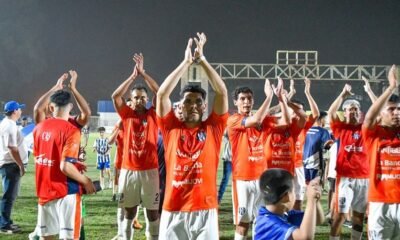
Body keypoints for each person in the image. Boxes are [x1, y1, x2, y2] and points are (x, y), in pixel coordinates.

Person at [156, 33, 228, 239]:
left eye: (198, 101)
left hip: (205, 209)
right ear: (180, 105)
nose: (193, 105)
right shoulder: (170, 129)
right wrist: (185, 63)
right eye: (188, 101)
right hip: (173, 208)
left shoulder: (213, 129)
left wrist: (202, 60)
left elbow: (221, 92)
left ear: (205, 106)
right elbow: (162, 95)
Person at [33, 90, 96, 239]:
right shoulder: (71, 130)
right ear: (71, 106)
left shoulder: (39, 128)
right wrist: (86, 181)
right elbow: (65, 166)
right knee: (69, 236)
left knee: (46, 236)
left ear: (50, 107)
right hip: (66, 192)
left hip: (44, 190)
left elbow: (47, 156)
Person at [112, 53, 160, 240]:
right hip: (128, 171)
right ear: (131, 100)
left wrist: (144, 74)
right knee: (129, 213)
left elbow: (160, 91)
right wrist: (133, 76)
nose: (139, 100)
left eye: (142, 97)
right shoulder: (127, 114)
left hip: (150, 171)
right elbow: (116, 95)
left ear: (147, 99)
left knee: (152, 214)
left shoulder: (153, 114)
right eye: (135, 97)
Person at [227, 80, 273, 240]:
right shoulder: (234, 120)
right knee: (243, 221)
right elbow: (256, 120)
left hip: (262, 178)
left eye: (249, 98)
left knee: (261, 219)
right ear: (235, 102)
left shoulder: (259, 119)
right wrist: (269, 97)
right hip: (243, 179)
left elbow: (279, 119)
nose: (246, 102)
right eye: (242, 99)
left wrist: (283, 99)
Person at [327, 84, 372, 240]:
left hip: (365, 178)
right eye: (350, 109)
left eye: (356, 109)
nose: (353, 111)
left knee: (359, 217)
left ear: (360, 113)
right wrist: (343, 94)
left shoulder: (365, 128)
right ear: (344, 112)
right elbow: (331, 112)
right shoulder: (341, 128)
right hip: (345, 178)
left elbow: (378, 114)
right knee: (340, 215)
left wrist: (369, 92)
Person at [363, 65, 400, 239]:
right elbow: (370, 117)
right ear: (382, 112)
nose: (396, 113)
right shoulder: (373, 134)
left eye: (399, 109)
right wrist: (391, 87)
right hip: (379, 201)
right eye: (391, 109)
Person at [255, 168, 324, 240]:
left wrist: (316, 200)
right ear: (286, 196)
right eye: (294, 191)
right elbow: (305, 237)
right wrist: (311, 200)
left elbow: (318, 219)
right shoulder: (270, 223)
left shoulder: (284, 214)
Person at [291, 78, 320, 210]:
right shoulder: (282, 126)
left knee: (298, 199)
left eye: (302, 111)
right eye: (296, 111)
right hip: (283, 167)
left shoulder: (304, 127)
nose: (300, 114)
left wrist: (307, 92)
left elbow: (316, 114)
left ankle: (296, 224)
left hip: (298, 167)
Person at [0, 101, 26, 234]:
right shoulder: (9, 125)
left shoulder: (8, 123)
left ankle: (6, 221)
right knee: (9, 196)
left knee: (10, 195)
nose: (21, 111)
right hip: (11, 164)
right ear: (15, 111)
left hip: (10, 164)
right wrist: (20, 164)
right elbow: (11, 148)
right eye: (19, 109)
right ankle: (4, 225)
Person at [217, 130, 232, 204]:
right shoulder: (230, 129)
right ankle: (218, 200)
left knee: (238, 182)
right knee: (225, 179)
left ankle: (240, 201)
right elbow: (223, 132)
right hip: (228, 159)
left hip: (238, 160)